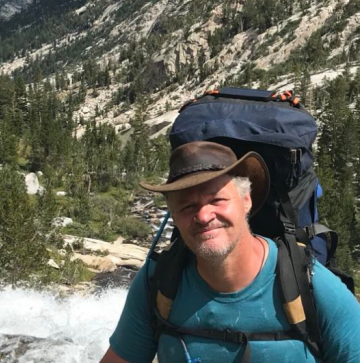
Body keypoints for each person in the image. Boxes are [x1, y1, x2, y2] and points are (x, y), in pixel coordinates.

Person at [100, 141, 360, 363]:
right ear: (174, 217)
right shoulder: (157, 282)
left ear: (246, 200)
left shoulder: (311, 284)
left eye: (216, 200)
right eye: (187, 206)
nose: (203, 216)